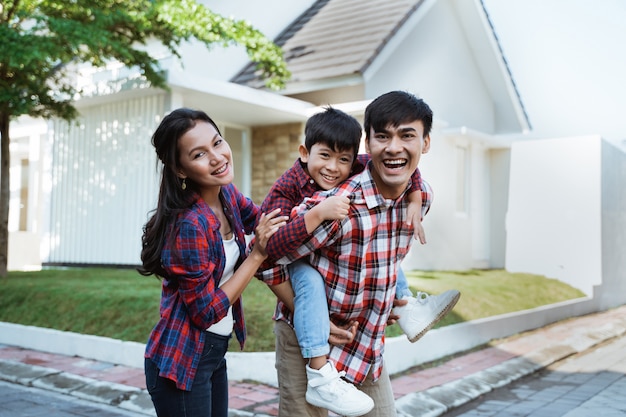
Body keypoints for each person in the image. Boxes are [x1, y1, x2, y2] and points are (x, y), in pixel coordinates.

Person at [258, 102, 459, 416]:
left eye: (407, 136)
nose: (394, 148)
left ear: (426, 143)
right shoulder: (332, 204)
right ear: (371, 143)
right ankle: (321, 375)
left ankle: (406, 308)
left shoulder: (419, 196)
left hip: (364, 336)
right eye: (383, 137)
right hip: (306, 333)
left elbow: (403, 171)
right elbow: (266, 257)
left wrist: (385, 298)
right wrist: (315, 318)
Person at [138, 108, 287, 417]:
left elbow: (269, 223)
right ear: (181, 170)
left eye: (217, 143)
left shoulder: (227, 195)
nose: (217, 157)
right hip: (182, 358)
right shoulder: (190, 226)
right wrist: (256, 255)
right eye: (199, 154)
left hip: (212, 352)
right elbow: (205, 311)